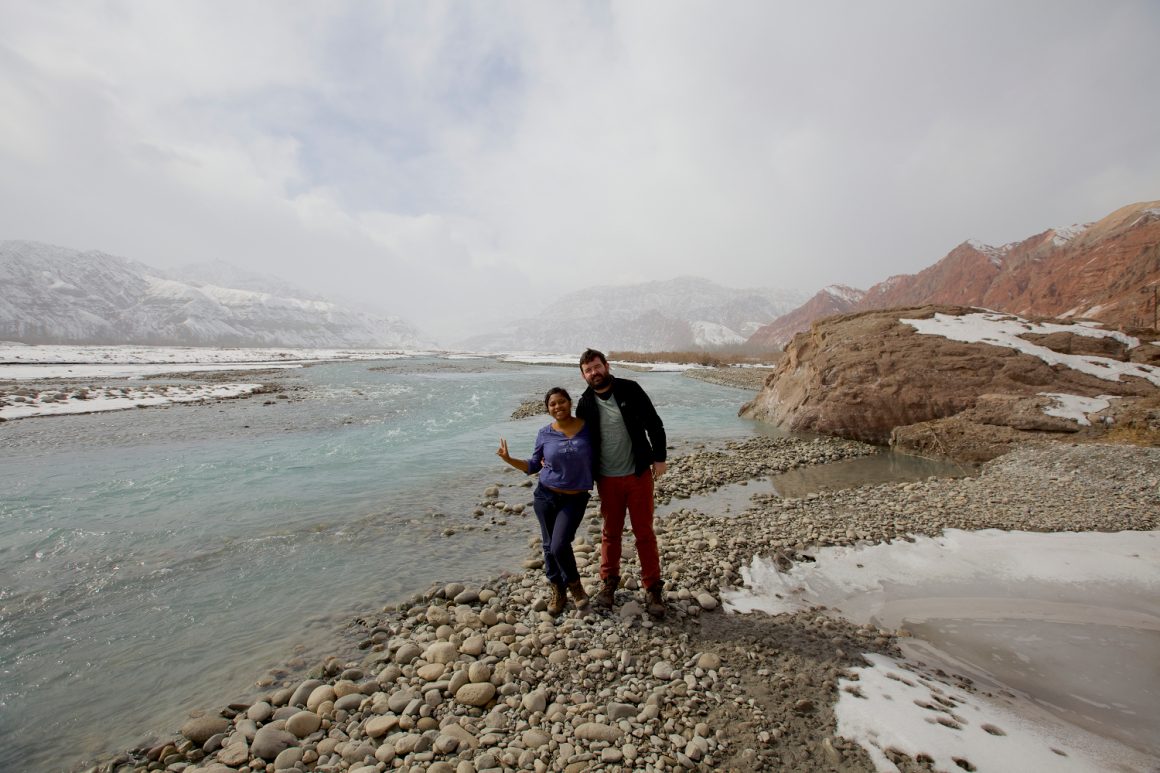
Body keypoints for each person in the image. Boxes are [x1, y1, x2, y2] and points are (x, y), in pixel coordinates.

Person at [576, 348, 667, 616]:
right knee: (610, 533)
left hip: (638, 474)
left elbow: (654, 424)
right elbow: (578, 442)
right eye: (588, 370)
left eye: (596, 366)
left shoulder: (630, 389)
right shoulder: (585, 404)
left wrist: (659, 458)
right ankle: (609, 585)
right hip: (607, 479)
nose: (594, 373)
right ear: (584, 376)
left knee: (644, 533)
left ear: (607, 365)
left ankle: (653, 589)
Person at [496, 387, 593, 615]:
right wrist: (508, 459)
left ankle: (575, 586)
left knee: (560, 544)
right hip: (545, 495)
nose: (557, 406)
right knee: (549, 547)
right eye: (552, 404)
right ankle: (558, 590)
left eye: (561, 402)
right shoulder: (544, 433)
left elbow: (603, 455)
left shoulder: (588, 428)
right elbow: (532, 466)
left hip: (575, 498)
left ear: (570, 402)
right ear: (548, 409)